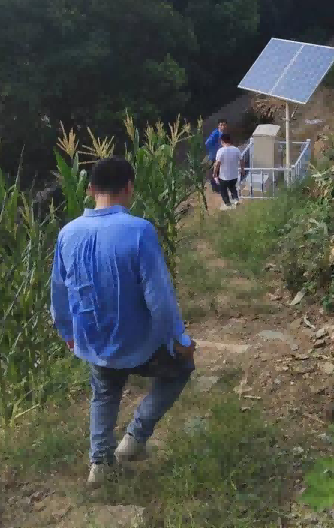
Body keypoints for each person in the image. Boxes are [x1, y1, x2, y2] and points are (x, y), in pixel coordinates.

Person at [50, 156, 195, 486]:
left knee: (104, 392)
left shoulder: (67, 233)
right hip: (139, 340)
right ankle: (134, 438)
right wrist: (179, 340)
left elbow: (58, 290)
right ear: (129, 187)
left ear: (90, 189)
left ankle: (99, 464)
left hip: (94, 338)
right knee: (181, 369)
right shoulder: (139, 230)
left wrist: (67, 331)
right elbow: (159, 297)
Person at [214, 132, 244, 210]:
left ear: (222, 141)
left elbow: (217, 164)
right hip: (234, 175)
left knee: (223, 190)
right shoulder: (236, 149)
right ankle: (236, 200)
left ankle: (228, 204)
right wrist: (242, 170)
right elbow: (241, 161)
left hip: (224, 176)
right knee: (233, 188)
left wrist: (215, 174)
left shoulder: (221, 151)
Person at [205, 118, 227, 194]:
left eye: (224, 125)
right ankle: (215, 188)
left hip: (219, 156)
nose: (223, 126)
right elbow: (207, 143)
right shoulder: (215, 133)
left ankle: (218, 187)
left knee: (219, 171)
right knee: (215, 172)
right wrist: (214, 149)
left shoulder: (222, 133)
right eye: (221, 125)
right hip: (214, 156)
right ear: (218, 126)